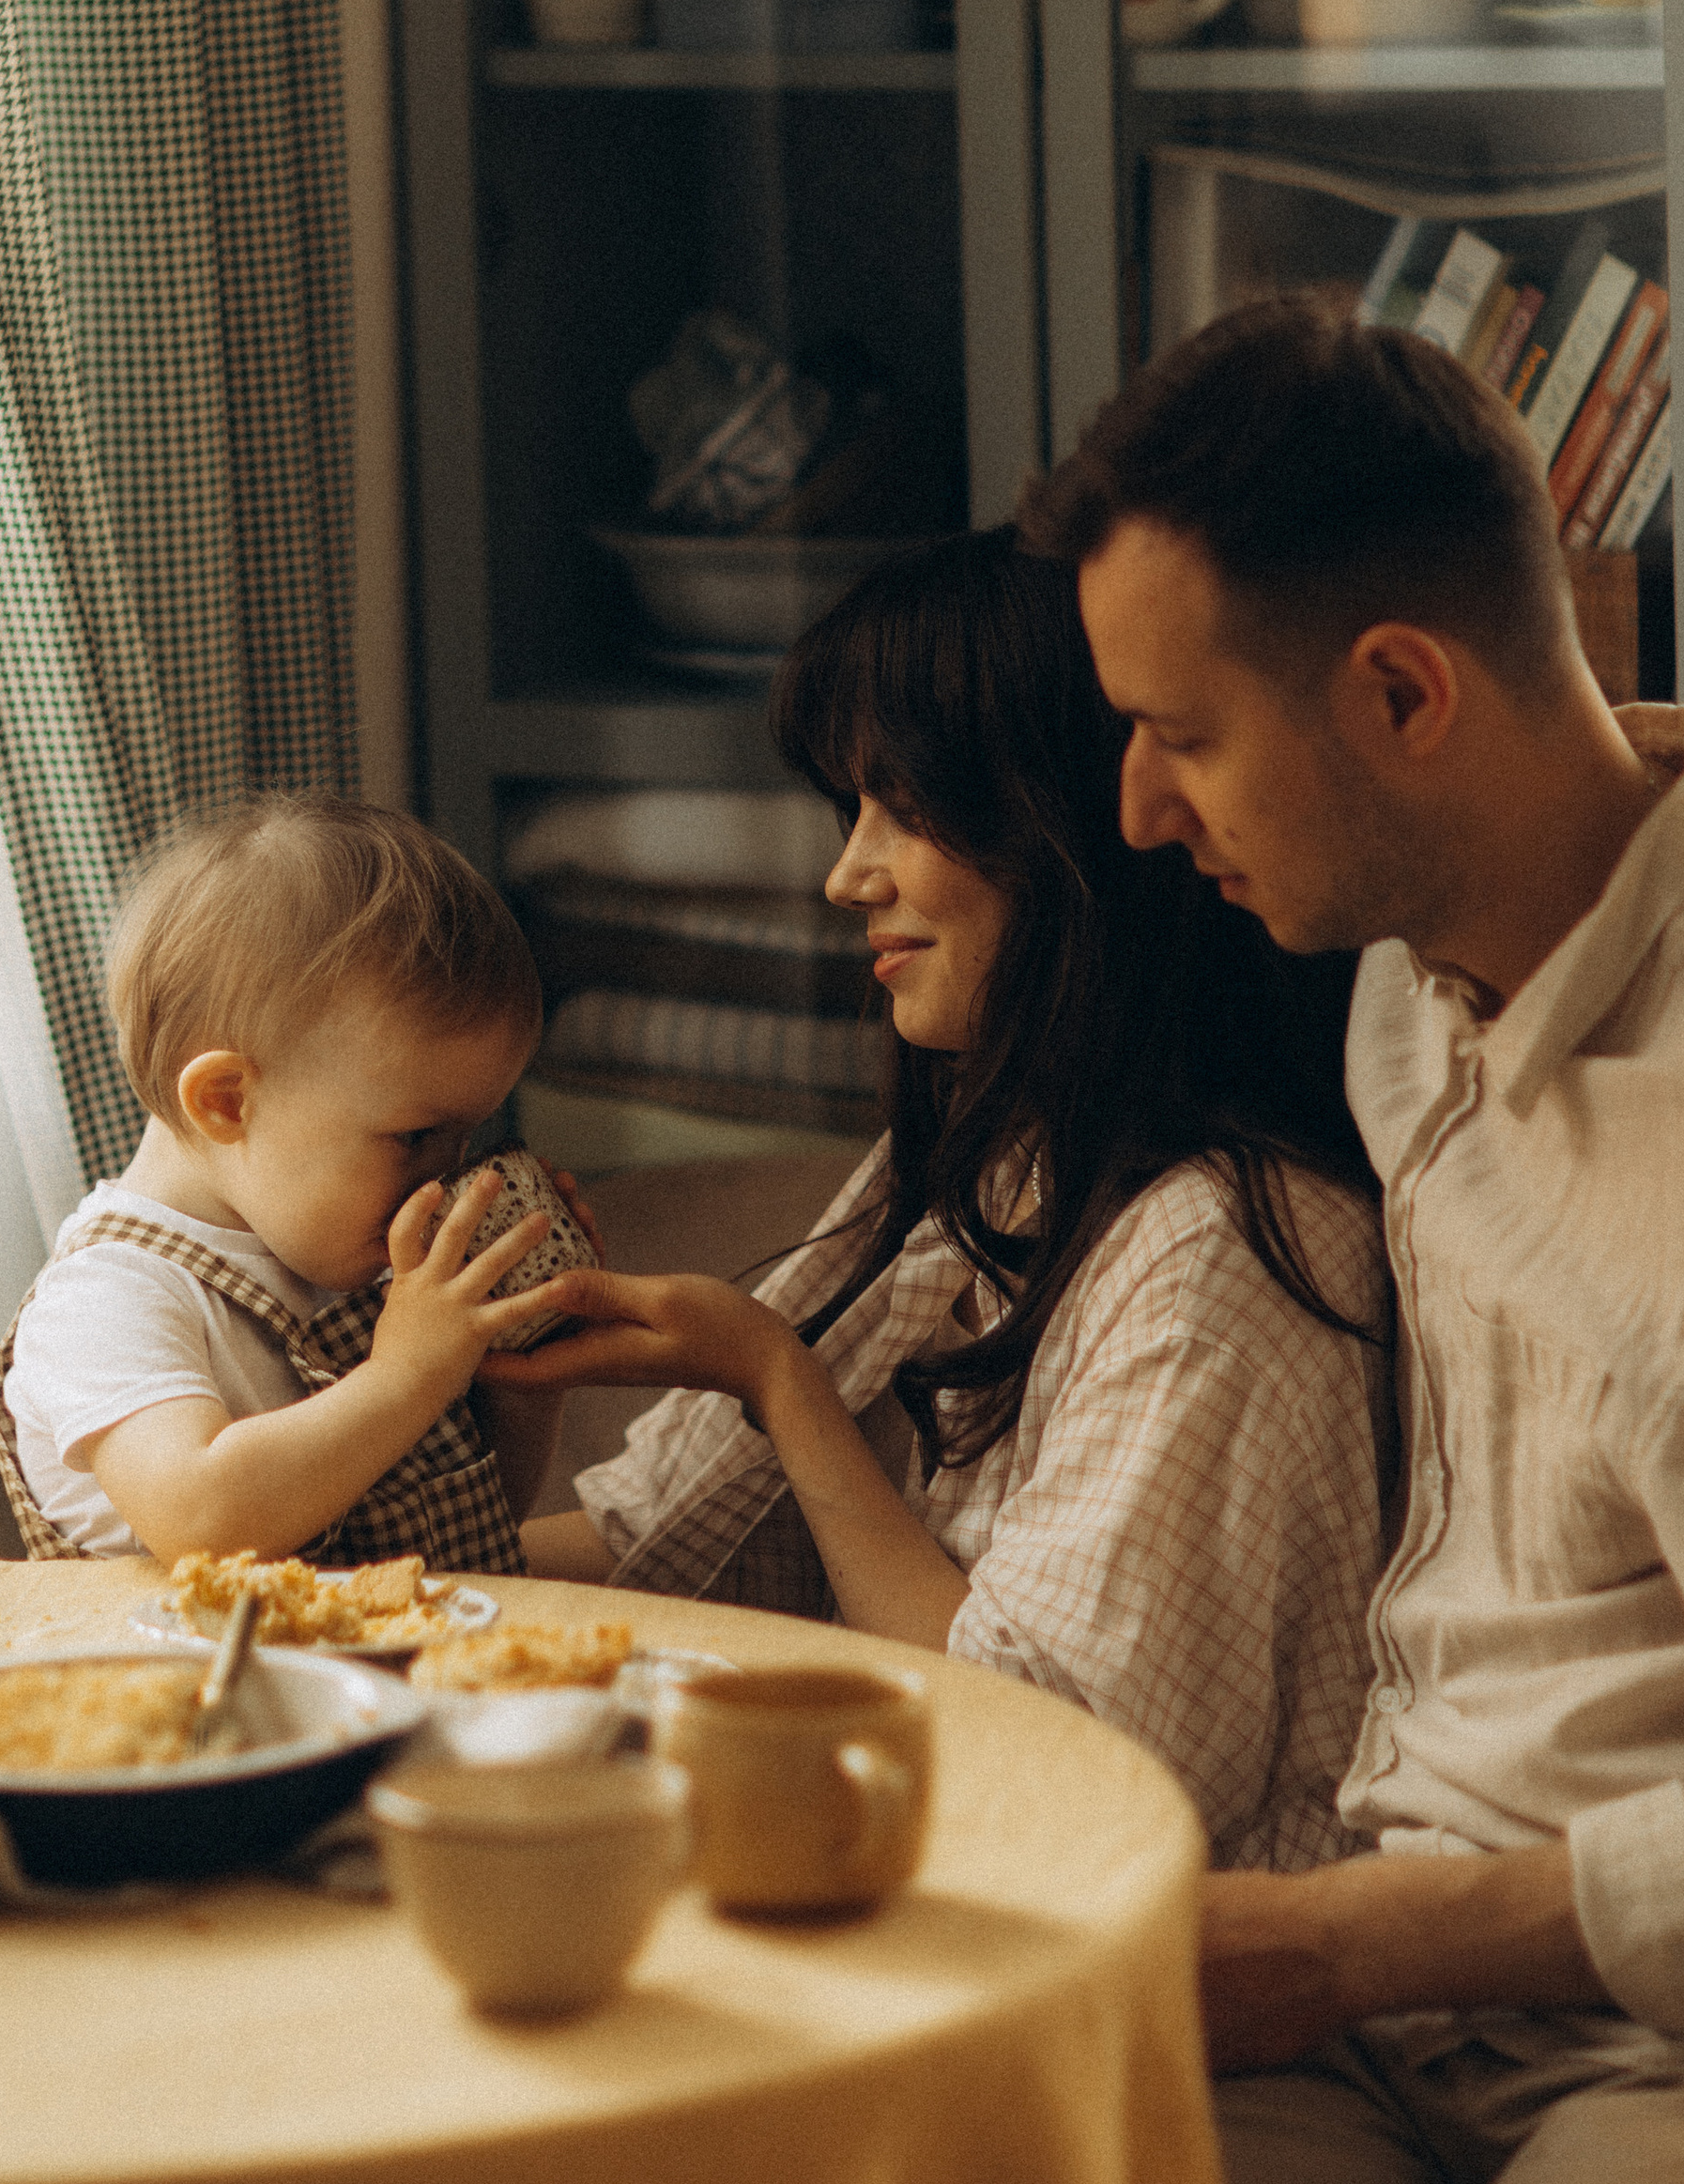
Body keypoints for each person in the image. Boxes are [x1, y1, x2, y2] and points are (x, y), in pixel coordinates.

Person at [1042, 290, 1684, 2184]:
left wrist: (1338, 1939)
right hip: (1398, 2018)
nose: (1143, 813)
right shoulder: (1405, 1001)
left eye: (1178, 735)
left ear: (1403, 694)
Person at [513, 526, 1394, 1874]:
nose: (845, 877)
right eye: (846, 813)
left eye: (902, 809)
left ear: (1065, 830)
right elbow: (648, 1536)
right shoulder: (1003, 1154)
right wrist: (369, 1558)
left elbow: (1032, 1746)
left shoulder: (1221, 1255)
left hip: (1156, 1957)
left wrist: (778, 1380)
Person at [0, 796, 569, 1570]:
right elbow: (200, 1516)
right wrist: (406, 1378)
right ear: (227, 1102)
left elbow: (472, 1530)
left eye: (468, 1137)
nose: (449, 1178)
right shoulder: (108, 1298)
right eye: (415, 1138)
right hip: (189, 1687)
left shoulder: (350, 1267)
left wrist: (522, 1383)